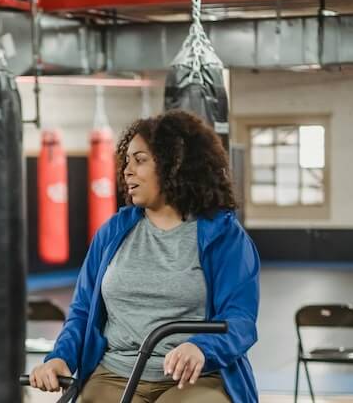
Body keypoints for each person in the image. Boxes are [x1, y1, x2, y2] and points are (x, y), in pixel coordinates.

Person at [29, 110, 260, 402]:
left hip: (195, 379)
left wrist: (202, 348)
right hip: (114, 374)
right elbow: (83, 311)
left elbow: (239, 320)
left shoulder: (225, 237)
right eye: (126, 161)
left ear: (175, 165)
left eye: (140, 160)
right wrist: (60, 358)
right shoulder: (113, 231)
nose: (127, 171)